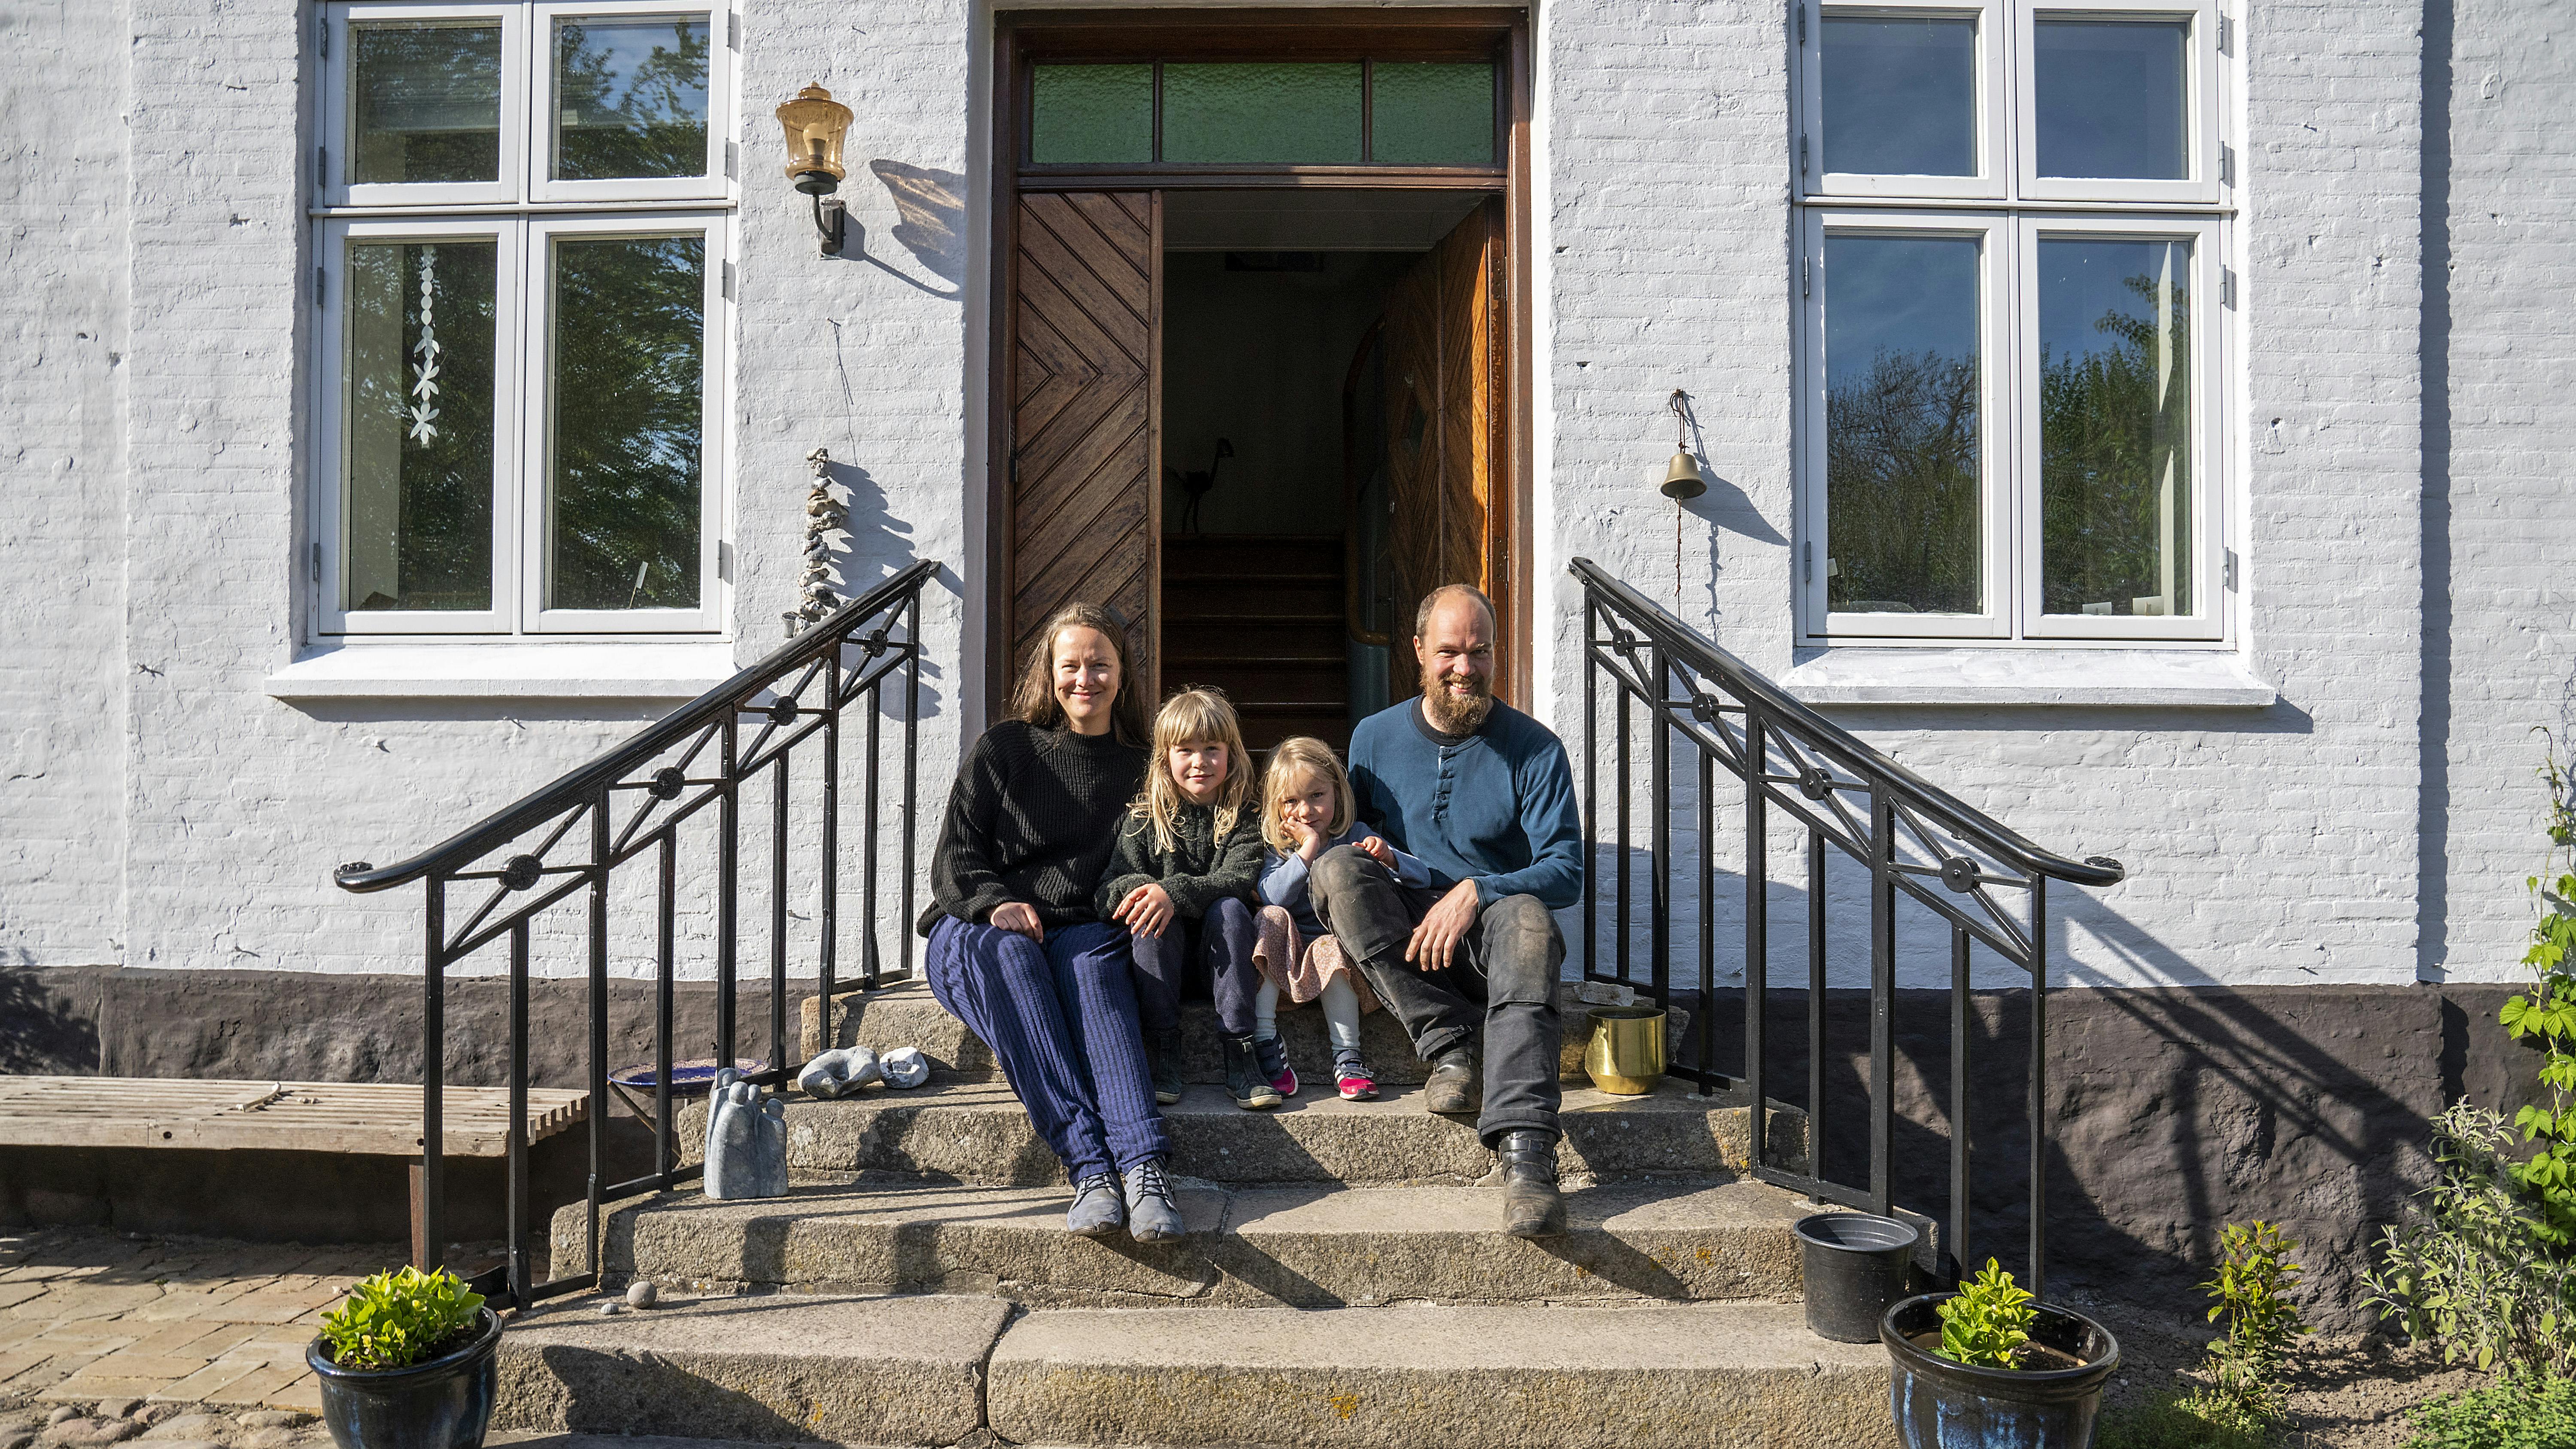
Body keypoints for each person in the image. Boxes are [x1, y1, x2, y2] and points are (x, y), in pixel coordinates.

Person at [1306, 583, 1584, 1237]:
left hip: (1493, 940)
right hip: (1405, 938)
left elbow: (1567, 868)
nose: (1466, 667)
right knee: (1336, 871)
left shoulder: (1535, 748)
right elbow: (1353, 833)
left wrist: (1476, 890)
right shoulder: (1372, 737)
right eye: (1451, 652)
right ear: (1418, 652)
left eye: (1480, 652)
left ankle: (1527, 1155)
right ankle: (1450, 1043)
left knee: (1530, 919)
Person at [916, 602, 1185, 1242]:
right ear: (1050, 671)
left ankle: (1144, 1168)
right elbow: (955, 855)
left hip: (1079, 928)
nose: (1084, 678)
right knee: (1014, 958)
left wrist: (1166, 890)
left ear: (1123, 676)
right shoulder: (1007, 748)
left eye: (1100, 664)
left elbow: (1173, 847)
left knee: (1095, 971)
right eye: (1071, 665)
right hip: (975, 927)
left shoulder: (1144, 764)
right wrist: (992, 902)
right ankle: (1090, 1166)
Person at [1097, 688, 1274, 1110]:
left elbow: (1238, 879)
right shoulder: (1143, 818)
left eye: (1212, 749)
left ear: (1231, 753)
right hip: (1162, 966)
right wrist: (1148, 894)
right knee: (1150, 915)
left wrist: (1171, 893)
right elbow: (1107, 890)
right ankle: (1162, 1051)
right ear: (1165, 758)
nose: (1200, 762)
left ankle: (1242, 1053)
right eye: (1186, 750)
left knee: (1231, 908)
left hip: (1225, 965)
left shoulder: (1245, 817)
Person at [1250, 735, 1428, 1102]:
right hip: (1287, 959)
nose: (1306, 811)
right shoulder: (1277, 848)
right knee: (1268, 916)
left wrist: (1389, 859)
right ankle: (1265, 1040)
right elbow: (1272, 895)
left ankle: (1348, 1056)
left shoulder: (1356, 835)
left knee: (1330, 945)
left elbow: (1422, 876)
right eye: (1291, 801)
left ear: (1337, 793)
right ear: (1276, 807)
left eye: (1317, 796)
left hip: (1343, 962)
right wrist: (1307, 850)